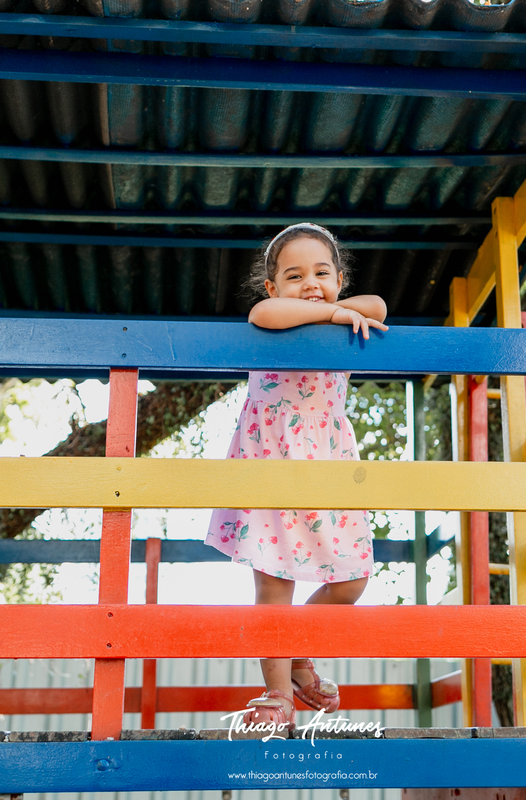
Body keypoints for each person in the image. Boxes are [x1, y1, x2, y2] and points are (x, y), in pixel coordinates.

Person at [205, 222, 389, 735]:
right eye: (294, 275)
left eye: (322, 273)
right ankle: (279, 691)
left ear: (340, 277)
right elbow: (262, 314)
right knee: (274, 580)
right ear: (273, 286)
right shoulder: (275, 317)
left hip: (328, 469)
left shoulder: (349, 315)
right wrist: (332, 311)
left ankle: (301, 651)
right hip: (271, 464)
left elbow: (377, 307)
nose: (310, 282)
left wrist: (343, 309)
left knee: (351, 578)